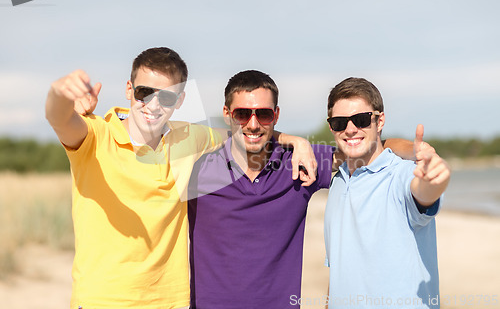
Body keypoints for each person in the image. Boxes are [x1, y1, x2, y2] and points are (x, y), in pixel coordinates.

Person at [46, 48, 314, 309]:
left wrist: (294, 140)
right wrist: (60, 94)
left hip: (171, 301)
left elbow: (247, 133)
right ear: (129, 89)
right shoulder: (96, 135)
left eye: (166, 98)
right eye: (144, 93)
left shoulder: (187, 137)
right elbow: (59, 119)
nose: (153, 105)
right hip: (102, 300)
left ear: (180, 100)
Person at [187, 71, 417, 308]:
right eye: (242, 114)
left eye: (264, 114)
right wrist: (295, 139)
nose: (253, 124)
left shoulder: (299, 163)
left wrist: (419, 150)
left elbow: (370, 148)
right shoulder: (198, 168)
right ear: (227, 114)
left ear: (276, 115)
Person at [323, 77, 451, 308]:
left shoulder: (401, 174)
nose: (350, 130)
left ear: (379, 120)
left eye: (361, 120)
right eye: (340, 122)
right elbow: (338, 272)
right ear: (331, 126)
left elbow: (421, 194)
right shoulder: (338, 182)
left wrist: (433, 181)